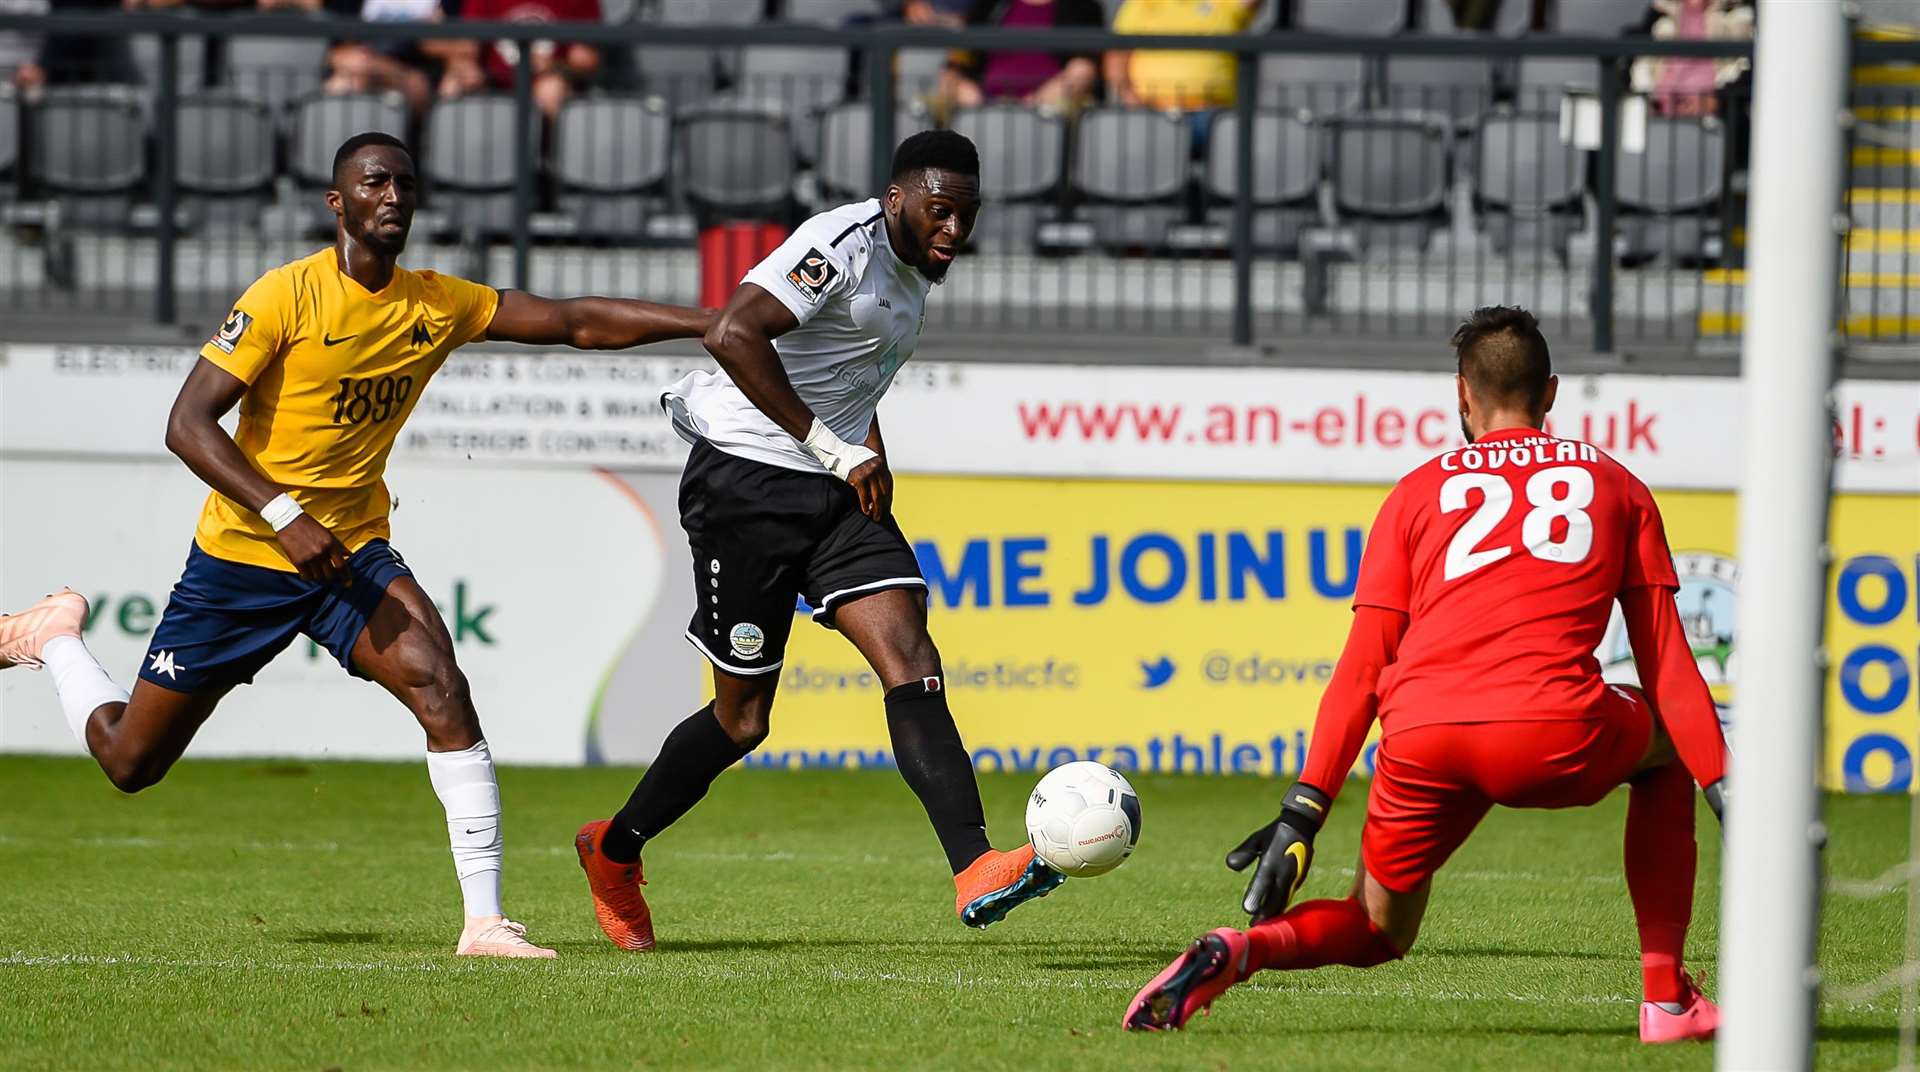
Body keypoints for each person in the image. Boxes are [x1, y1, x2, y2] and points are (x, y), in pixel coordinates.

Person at [0, 132, 713, 959]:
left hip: (349, 554)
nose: (395, 196)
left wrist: (712, 321)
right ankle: (54, 637)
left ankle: (485, 923)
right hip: (243, 559)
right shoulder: (284, 297)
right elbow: (187, 425)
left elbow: (574, 321)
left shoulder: (435, 302)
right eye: (376, 181)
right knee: (130, 762)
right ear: (338, 203)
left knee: (440, 683)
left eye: (407, 183)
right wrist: (281, 513)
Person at [1123, 306, 1731, 1044]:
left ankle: (1238, 950)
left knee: (1377, 929)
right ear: (1551, 394)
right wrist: (1723, 785)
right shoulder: (1617, 486)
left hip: (1423, 735)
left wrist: (1302, 811)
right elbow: (1666, 659)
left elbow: (1363, 666)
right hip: (1552, 731)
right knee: (1665, 750)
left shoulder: (1415, 492)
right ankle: (1667, 1000)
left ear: (1461, 398)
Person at [573, 131, 1060, 951]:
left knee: (911, 655)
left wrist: (868, 451)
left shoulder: (914, 272)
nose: (953, 233)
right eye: (940, 212)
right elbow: (733, 333)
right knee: (742, 722)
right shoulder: (837, 245)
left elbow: (847, 371)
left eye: (966, 217)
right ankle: (613, 852)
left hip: (833, 493)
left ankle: (975, 866)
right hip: (744, 483)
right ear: (897, 199)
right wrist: (837, 449)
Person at [937, 0, 1103, 114]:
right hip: (985, 110)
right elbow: (958, 61)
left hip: (1050, 113)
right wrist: (975, 99)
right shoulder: (990, 4)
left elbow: (1083, 67)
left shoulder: (1083, 7)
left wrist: (1033, 105)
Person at [1102, 0, 1258, 113]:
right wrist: (1134, 104)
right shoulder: (1142, 4)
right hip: (1151, 112)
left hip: (1212, 114)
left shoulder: (1224, 3)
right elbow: (1117, 58)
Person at [459, 0, 602, 121]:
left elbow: (587, 59)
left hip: (550, 82)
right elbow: (468, 47)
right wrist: (466, 68)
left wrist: (552, 65)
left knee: (551, 89)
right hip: (493, 84)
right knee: (453, 85)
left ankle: (555, 153)